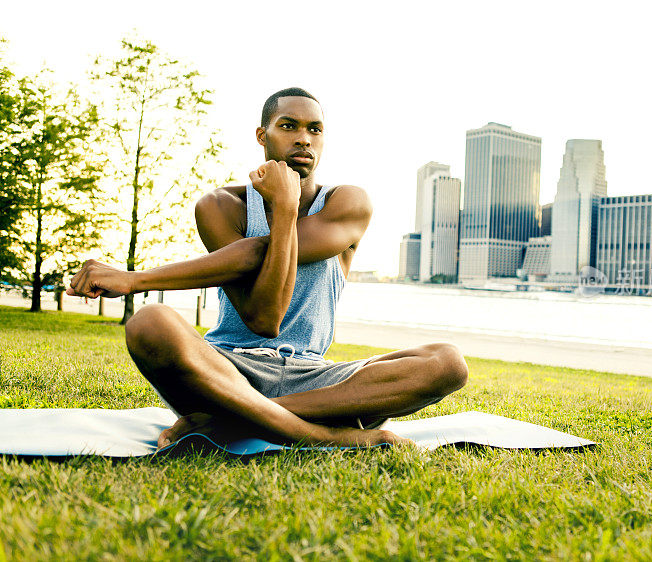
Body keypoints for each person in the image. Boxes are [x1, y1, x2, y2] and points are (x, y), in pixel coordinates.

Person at [67, 87, 468, 449]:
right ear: (263, 135)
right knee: (148, 323)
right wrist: (283, 208)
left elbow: (257, 254)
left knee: (446, 363)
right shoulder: (221, 206)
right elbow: (264, 317)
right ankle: (328, 437)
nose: (303, 138)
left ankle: (229, 420)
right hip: (225, 371)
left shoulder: (348, 202)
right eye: (288, 126)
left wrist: (135, 280)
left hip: (314, 378)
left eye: (315, 129)